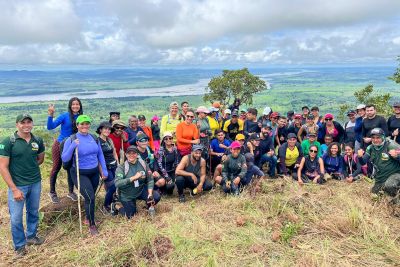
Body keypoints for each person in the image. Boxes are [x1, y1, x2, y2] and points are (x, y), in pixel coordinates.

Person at [0, 114, 45, 258]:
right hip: (18, 186)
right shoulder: (8, 142)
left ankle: (31, 236)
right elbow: (3, 167)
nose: (26, 125)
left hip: (35, 182)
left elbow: (40, 159)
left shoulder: (37, 140)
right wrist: (14, 189)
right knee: (16, 217)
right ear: (17, 124)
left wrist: (28, 168)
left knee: (33, 211)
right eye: (22, 122)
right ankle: (19, 246)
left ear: (32, 123)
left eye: (29, 122)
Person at [61, 115, 108, 236]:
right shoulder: (71, 139)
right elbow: (65, 157)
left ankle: (88, 217)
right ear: (77, 125)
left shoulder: (93, 137)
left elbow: (100, 155)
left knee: (90, 197)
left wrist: (104, 170)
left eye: (87, 123)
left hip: (94, 172)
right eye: (82, 124)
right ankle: (92, 225)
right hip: (79, 173)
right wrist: (73, 146)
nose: (84, 126)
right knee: (90, 197)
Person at [46, 97, 82, 203]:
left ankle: (71, 192)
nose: (75, 106)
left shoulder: (81, 117)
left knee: (70, 168)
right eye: (73, 104)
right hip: (60, 144)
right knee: (56, 167)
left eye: (77, 104)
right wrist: (50, 115)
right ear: (70, 106)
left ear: (80, 106)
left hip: (72, 145)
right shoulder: (64, 116)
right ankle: (52, 192)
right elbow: (50, 126)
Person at [113, 146, 161, 218]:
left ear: (137, 154)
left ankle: (148, 207)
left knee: (156, 196)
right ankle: (115, 206)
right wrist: (133, 178)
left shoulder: (143, 163)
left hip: (140, 189)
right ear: (126, 154)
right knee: (130, 216)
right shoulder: (121, 167)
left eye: (134, 153)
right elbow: (117, 183)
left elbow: (150, 179)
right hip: (127, 194)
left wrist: (150, 194)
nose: (131, 155)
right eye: (129, 153)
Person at [358, 128, 400, 202]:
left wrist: (397, 157)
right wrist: (360, 157)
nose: (375, 140)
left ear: (383, 137)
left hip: (395, 174)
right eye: (373, 138)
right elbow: (363, 162)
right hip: (381, 177)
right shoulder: (370, 148)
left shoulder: (391, 145)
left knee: (389, 186)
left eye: (378, 138)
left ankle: (395, 202)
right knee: (374, 195)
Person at [97, 122, 118, 214]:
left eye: (109, 129)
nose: (107, 130)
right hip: (106, 167)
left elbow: (114, 152)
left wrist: (118, 164)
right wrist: (101, 171)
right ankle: (106, 205)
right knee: (112, 186)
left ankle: (112, 202)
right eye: (105, 128)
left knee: (115, 185)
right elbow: (97, 157)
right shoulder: (97, 141)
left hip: (114, 165)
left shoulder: (109, 140)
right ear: (100, 130)